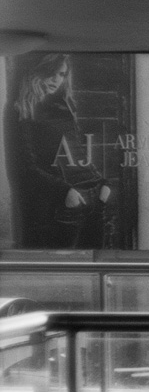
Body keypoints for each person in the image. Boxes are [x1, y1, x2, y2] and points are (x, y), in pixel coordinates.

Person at [4, 53, 118, 249]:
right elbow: (24, 166)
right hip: (61, 203)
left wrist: (102, 182)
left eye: (62, 74)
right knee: (65, 269)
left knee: (93, 266)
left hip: (93, 198)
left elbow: (75, 153)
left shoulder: (63, 105)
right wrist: (64, 191)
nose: (57, 80)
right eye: (51, 73)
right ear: (35, 73)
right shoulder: (20, 110)